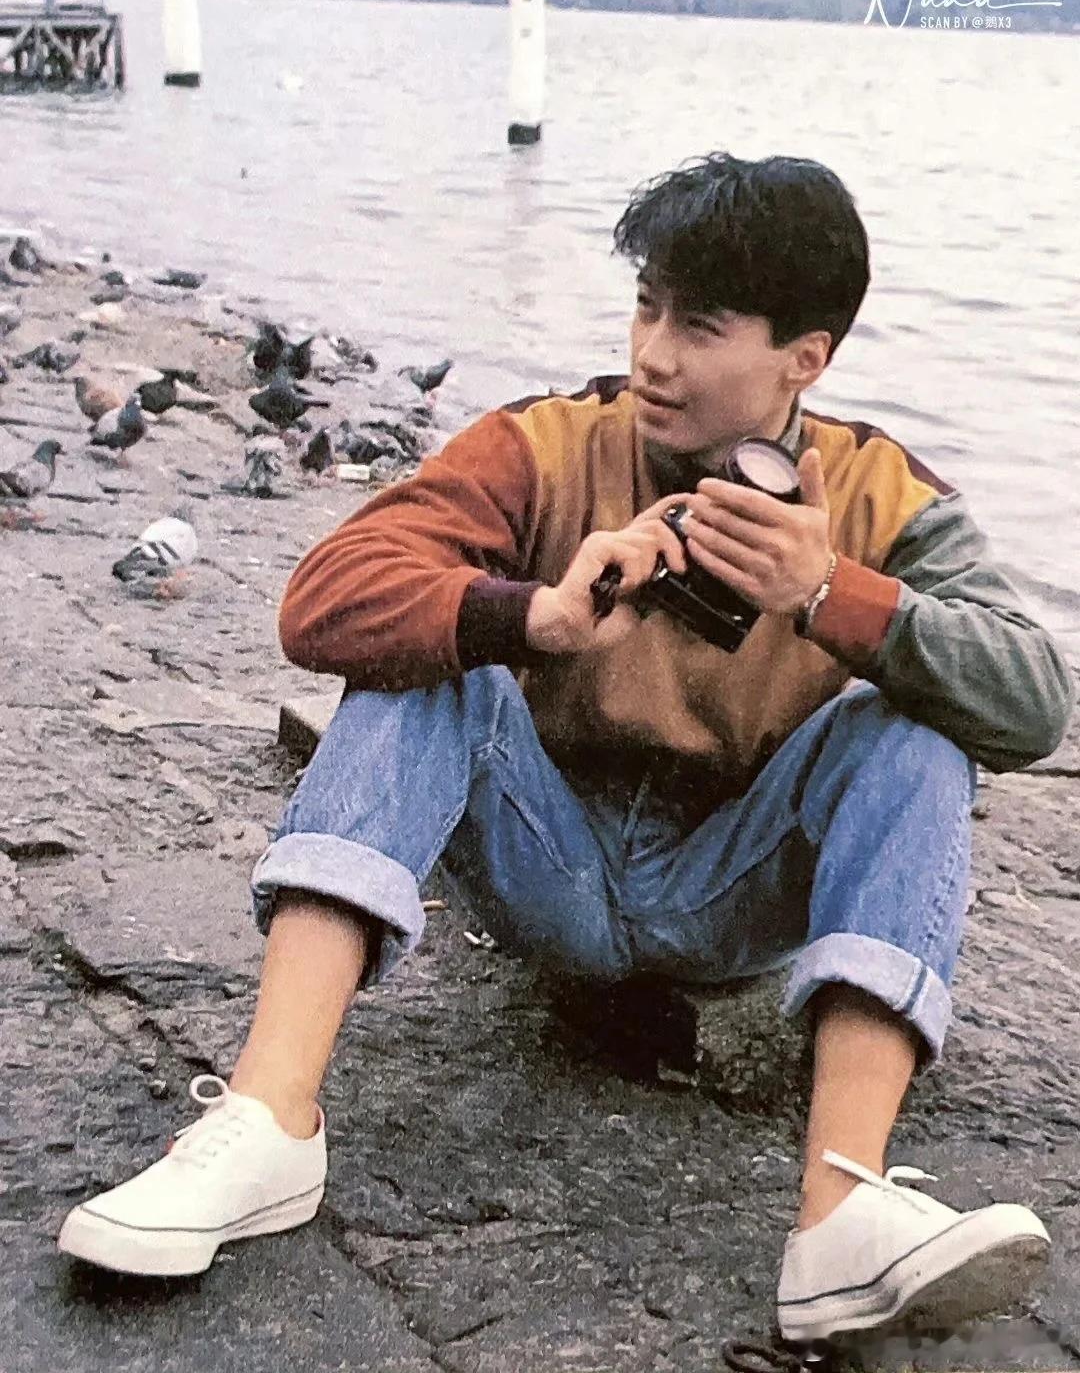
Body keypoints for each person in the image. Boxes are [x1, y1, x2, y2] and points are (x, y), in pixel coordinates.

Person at [59, 152, 1075, 1343]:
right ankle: (266, 1123)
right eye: (647, 307)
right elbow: (322, 597)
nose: (654, 355)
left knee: (915, 733)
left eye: (700, 327)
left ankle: (844, 1211)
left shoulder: (881, 493)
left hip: (730, 890)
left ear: (806, 356)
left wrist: (829, 593)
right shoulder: (545, 443)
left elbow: (1034, 702)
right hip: (546, 865)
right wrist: (531, 615)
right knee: (433, 660)